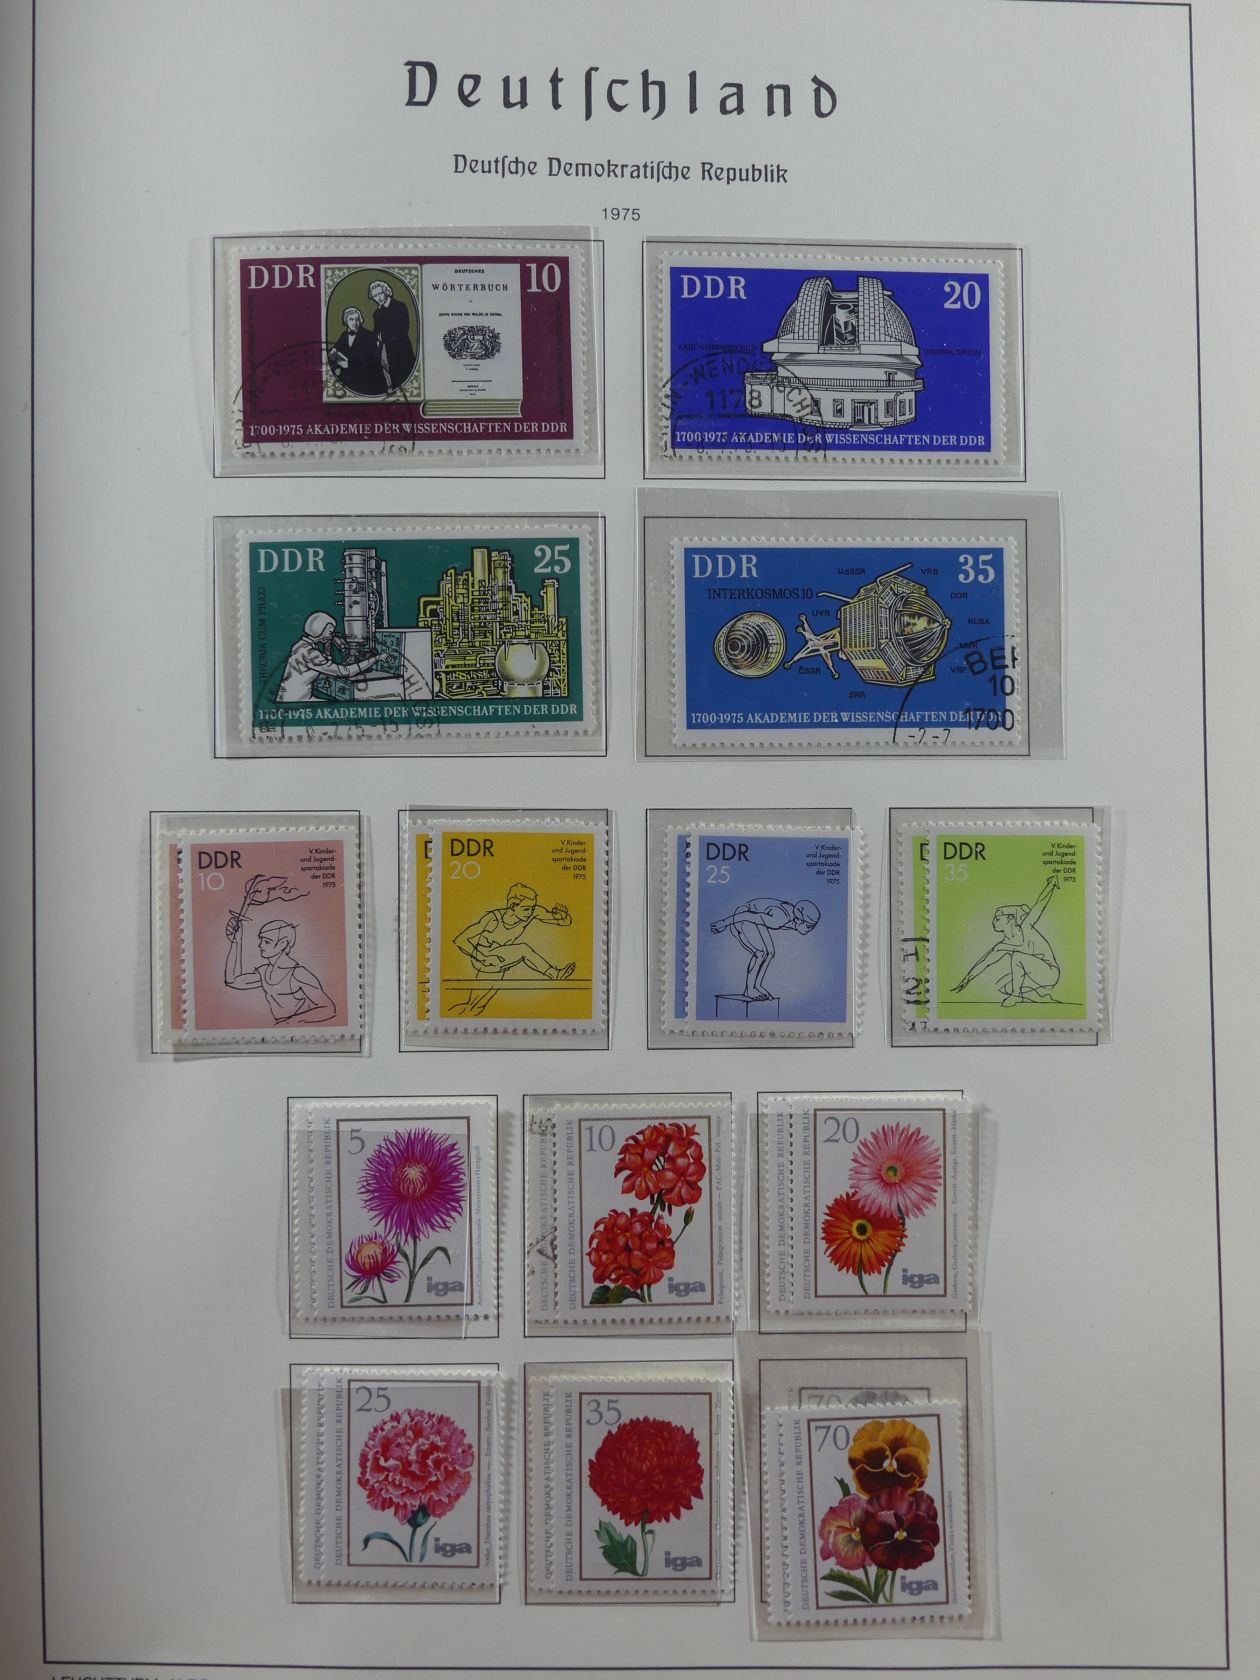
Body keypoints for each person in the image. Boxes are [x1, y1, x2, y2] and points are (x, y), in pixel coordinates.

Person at [951, 876, 1060, 1007]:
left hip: (1049, 972)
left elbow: (1040, 904)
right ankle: (1040, 996)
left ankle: (1015, 996)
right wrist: (966, 980)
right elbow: (984, 963)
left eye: (997, 919)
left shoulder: (1026, 926)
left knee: (1017, 957)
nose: (993, 922)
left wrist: (1051, 884)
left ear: (1009, 918)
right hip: (1033, 973)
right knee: (1004, 986)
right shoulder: (1002, 945)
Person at [224, 913, 336, 1024]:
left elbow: (328, 1008)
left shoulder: (298, 974)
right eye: (261, 940)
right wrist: (236, 941)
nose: (260, 945)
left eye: (267, 942)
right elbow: (232, 981)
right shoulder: (265, 972)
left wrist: (287, 1024)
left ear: (283, 944)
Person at [453, 883, 574, 980]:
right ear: (512, 906)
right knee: (523, 949)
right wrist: (484, 958)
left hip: (501, 957)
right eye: (526, 909)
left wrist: (563, 915)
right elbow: (460, 940)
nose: (530, 912)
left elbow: (565, 922)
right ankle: (554, 974)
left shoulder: (533, 912)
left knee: (479, 1001)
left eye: (532, 908)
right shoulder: (494, 918)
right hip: (482, 960)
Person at [708, 898, 821, 1002]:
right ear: (799, 921)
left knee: (770, 953)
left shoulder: (792, 918)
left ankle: (757, 986)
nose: (810, 930)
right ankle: (749, 990)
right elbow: (746, 916)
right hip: (742, 916)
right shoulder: (780, 919)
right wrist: (722, 923)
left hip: (755, 918)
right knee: (760, 953)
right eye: (809, 926)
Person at [275, 611, 378, 703]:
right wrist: (376, 658)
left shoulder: (301, 645)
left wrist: (327, 646)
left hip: (289, 697)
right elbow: (345, 672)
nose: (332, 636)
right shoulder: (310, 653)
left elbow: (324, 664)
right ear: (319, 630)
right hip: (297, 701)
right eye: (330, 633)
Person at [328, 305, 387, 396]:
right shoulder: (344, 335)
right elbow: (337, 348)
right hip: (348, 376)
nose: (354, 322)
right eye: (351, 319)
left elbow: (369, 359)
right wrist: (332, 352)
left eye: (357, 319)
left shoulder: (369, 336)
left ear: (360, 320)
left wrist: (349, 364)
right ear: (346, 321)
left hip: (366, 378)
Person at [368, 278, 416, 388]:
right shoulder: (377, 313)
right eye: (375, 296)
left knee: (405, 379)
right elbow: (376, 332)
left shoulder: (400, 306)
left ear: (387, 291)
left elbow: (402, 330)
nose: (378, 298)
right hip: (387, 351)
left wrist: (382, 336)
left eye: (380, 293)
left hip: (402, 350)